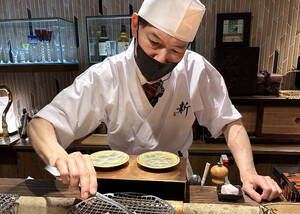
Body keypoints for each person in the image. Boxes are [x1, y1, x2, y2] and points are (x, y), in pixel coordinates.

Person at [28, 0, 281, 202]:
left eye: (176, 50)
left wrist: (248, 174)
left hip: (176, 179)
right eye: (154, 42)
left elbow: (230, 123)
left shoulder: (197, 70)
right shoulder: (106, 74)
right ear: (136, 24)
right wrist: (61, 157)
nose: (161, 58)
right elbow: (40, 124)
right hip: (119, 179)